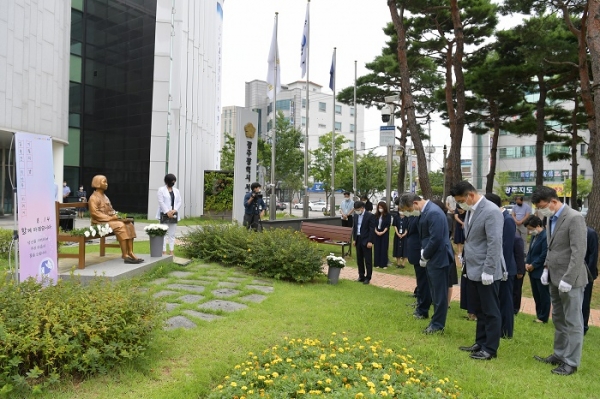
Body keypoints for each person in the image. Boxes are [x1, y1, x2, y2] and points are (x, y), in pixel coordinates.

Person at [531, 186, 587, 376]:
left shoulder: (574, 218)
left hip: (570, 280)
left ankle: (571, 362)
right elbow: (551, 247)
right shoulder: (550, 218)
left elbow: (578, 252)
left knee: (573, 321)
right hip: (554, 277)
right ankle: (559, 354)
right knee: (559, 318)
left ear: (553, 201)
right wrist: (546, 268)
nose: (541, 211)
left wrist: (569, 278)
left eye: (542, 206)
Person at [452, 181, 504, 360]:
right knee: (479, 308)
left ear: (470, 195)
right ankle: (480, 342)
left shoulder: (491, 211)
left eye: (461, 200)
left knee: (490, 310)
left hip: (486, 269)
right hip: (473, 268)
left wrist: (489, 269)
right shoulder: (471, 211)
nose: (460, 204)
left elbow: (494, 242)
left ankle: (490, 348)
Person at [398, 193, 453, 334]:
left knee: (439, 295)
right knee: (434, 292)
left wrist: (424, 255)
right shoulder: (426, 211)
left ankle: (437, 325)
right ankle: (435, 322)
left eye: (409, 210)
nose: (410, 213)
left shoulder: (433, 212)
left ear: (415, 203)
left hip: (438, 258)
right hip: (432, 257)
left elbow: (436, 239)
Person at [88, 175, 143, 264]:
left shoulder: (105, 197)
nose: (106, 184)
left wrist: (120, 217)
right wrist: (111, 218)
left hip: (108, 221)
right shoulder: (93, 198)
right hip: (98, 223)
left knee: (129, 225)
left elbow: (111, 210)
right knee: (120, 225)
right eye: (104, 182)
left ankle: (130, 252)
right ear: (97, 183)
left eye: (106, 182)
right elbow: (95, 214)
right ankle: (125, 255)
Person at [485, 193, 515, 339]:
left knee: (506, 301)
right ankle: (499, 328)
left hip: (506, 267)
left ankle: (506, 331)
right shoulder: (497, 217)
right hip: (498, 266)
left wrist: (504, 270)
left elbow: (507, 247)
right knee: (498, 300)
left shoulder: (507, 220)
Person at [432, 199, 459, 309]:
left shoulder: (445, 218)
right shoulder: (438, 217)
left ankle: (447, 303)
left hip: (446, 250)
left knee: (449, 279)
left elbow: (445, 235)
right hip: (440, 249)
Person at [524, 215, 550, 323]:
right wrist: (527, 263)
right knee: (536, 295)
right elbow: (530, 251)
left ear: (538, 226)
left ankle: (543, 317)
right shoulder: (535, 236)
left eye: (531, 229)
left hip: (540, 269)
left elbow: (544, 254)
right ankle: (539, 314)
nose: (530, 232)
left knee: (543, 294)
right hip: (532, 270)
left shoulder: (545, 236)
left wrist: (534, 264)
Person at [156, 173, 182, 255]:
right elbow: (161, 202)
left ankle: (171, 251)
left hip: (173, 214)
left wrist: (174, 210)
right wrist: (167, 211)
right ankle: (163, 251)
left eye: (174, 181)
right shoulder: (161, 190)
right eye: (172, 181)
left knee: (172, 233)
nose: (173, 183)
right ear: (167, 181)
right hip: (164, 214)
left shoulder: (176, 191)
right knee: (163, 233)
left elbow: (179, 201)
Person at [352, 201, 376, 284]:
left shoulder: (370, 216)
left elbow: (372, 230)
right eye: (355, 210)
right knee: (359, 259)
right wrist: (354, 239)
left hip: (366, 239)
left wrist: (370, 241)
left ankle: (368, 277)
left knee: (368, 260)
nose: (357, 211)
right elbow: (354, 227)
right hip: (358, 239)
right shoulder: (355, 215)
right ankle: (361, 275)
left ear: (362, 208)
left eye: (358, 209)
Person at [583, 226, 598, 335]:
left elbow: (593, 254)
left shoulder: (590, 233)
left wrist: (588, 274)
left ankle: (583, 326)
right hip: (574, 272)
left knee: (584, 300)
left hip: (587, 273)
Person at [373, 201, 392, 269]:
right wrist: (376, 231)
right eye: (379, 207)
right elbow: (374, 224)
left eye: (381, 208)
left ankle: (383, 264)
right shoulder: (376, 215)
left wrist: (382, 232)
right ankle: (376, 263)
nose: (380, 209)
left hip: (384, 233)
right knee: (377, 248)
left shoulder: (388, 215)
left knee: (384, 248)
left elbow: (388, 225)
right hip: (376, 232)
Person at [512, 234, 526, 315]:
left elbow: (520, 255)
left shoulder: (517, 239)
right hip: (512, 270)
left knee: (516, 290)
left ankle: (515, 309)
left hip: (518, 269)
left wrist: (520, 271)